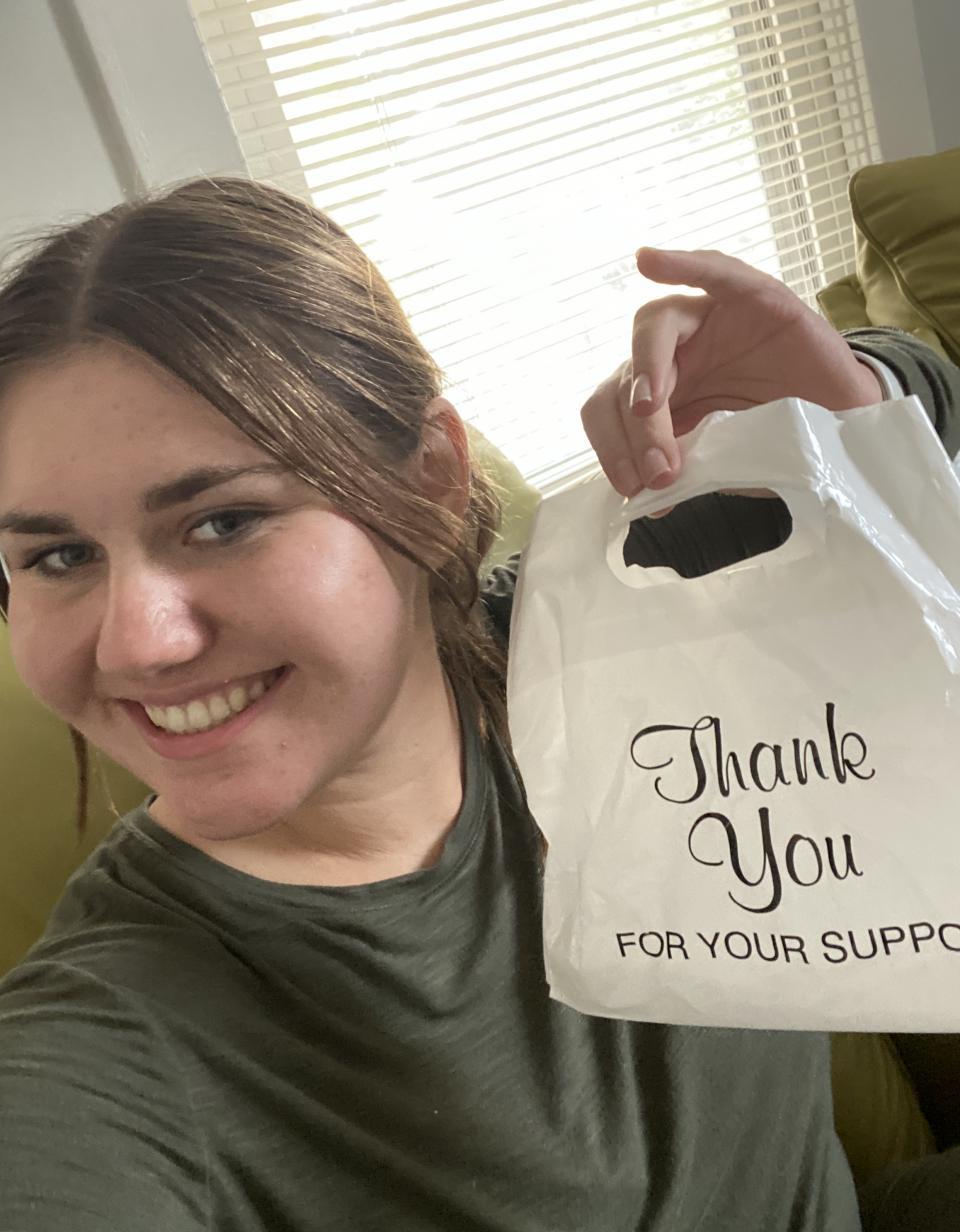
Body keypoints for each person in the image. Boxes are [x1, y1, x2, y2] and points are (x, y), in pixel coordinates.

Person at [0, 177, 955, 1232]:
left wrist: (852, 411)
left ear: (433, 477)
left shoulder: (610, 640)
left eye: (223, 521)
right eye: (58, 556)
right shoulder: (102, 1041)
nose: (135, 642)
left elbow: (932, 408)